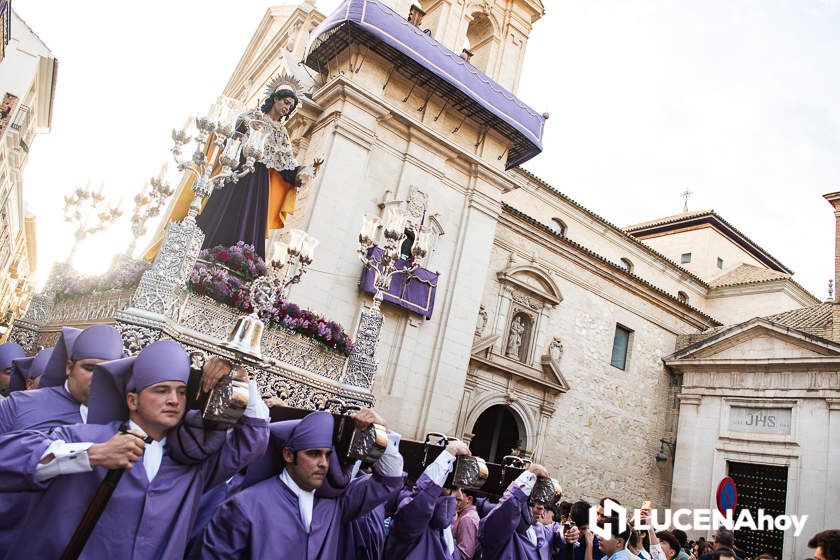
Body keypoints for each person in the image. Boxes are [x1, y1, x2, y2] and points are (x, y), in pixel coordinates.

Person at [0, 338, 269, 559]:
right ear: (132, 400)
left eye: (181, 392)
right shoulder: (88, 437)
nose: (174, 400)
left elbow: (253, 437)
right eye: (161, 391)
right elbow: (10, 454)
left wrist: (240, 379)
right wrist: (90, 454)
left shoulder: (192, 462)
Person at [193, 408, 405, 559]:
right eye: (313, 454)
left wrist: (380, 431)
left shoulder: (334, 506)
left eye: (327, 455)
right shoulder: (246, 505)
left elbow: (388, 480)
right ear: (288, 454)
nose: (323, 463)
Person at [196, 73, 322, 258]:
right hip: (236, 171)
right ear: (275, 99)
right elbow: (231, 139)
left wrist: (305, 170)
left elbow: (286, 165)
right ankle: (203, 252)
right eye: (286, 102)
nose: (288, 107)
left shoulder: (281, 133)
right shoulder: (251, 118)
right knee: (223, 209)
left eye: (291, 106)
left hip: (258, 181)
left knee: (249, 217)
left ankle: (239, 260)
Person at [0, 325, 123, 433]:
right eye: (90, 368)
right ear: (69, 368)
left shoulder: (118, 422)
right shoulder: (19, 404)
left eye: (106, 371)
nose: (97, 377)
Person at [384, 439, 472, 559]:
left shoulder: (443, 527)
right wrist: (449, 453)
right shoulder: (411, 518)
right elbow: (422, 498)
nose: (460, 497)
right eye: (454, 489)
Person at [478, 463, 579, 559]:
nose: (541, 507)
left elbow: (555, 530)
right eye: (533, 500)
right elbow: (506, 512)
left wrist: (567, 532)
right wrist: (529, 475)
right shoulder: (499, 532)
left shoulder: (538, 530)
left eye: (543, 502)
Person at [453, 487, 481, 559]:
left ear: (469, 499)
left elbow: (464, 554)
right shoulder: (467, 515)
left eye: (461, 493)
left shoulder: (467, 519)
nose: (457, 497)